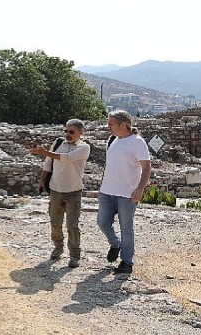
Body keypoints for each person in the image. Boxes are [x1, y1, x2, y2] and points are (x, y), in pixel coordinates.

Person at [30, 119, 91, 268]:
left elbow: (67, 159)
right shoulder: (58, 143)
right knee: (55, 223)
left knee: (72, 224)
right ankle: (58, 247)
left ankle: (75, 255)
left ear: (80, 133)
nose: (67, 134)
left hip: (73, 191)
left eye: (71, 132)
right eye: (66, 131)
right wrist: (42, 179)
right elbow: (48, 163)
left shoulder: (84, 147)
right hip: (56, 189)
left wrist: (44, 152)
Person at [97, 110, 151, 274]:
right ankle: (115, 243)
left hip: (127, 194)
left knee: (126, 227)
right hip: (107, 191)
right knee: (102, 222)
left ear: (124, 125)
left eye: (111, 124)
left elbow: (146, 167)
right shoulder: (112, 139)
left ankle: (127, 262)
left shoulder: (137, 142)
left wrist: (140, 188)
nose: (108, 127)